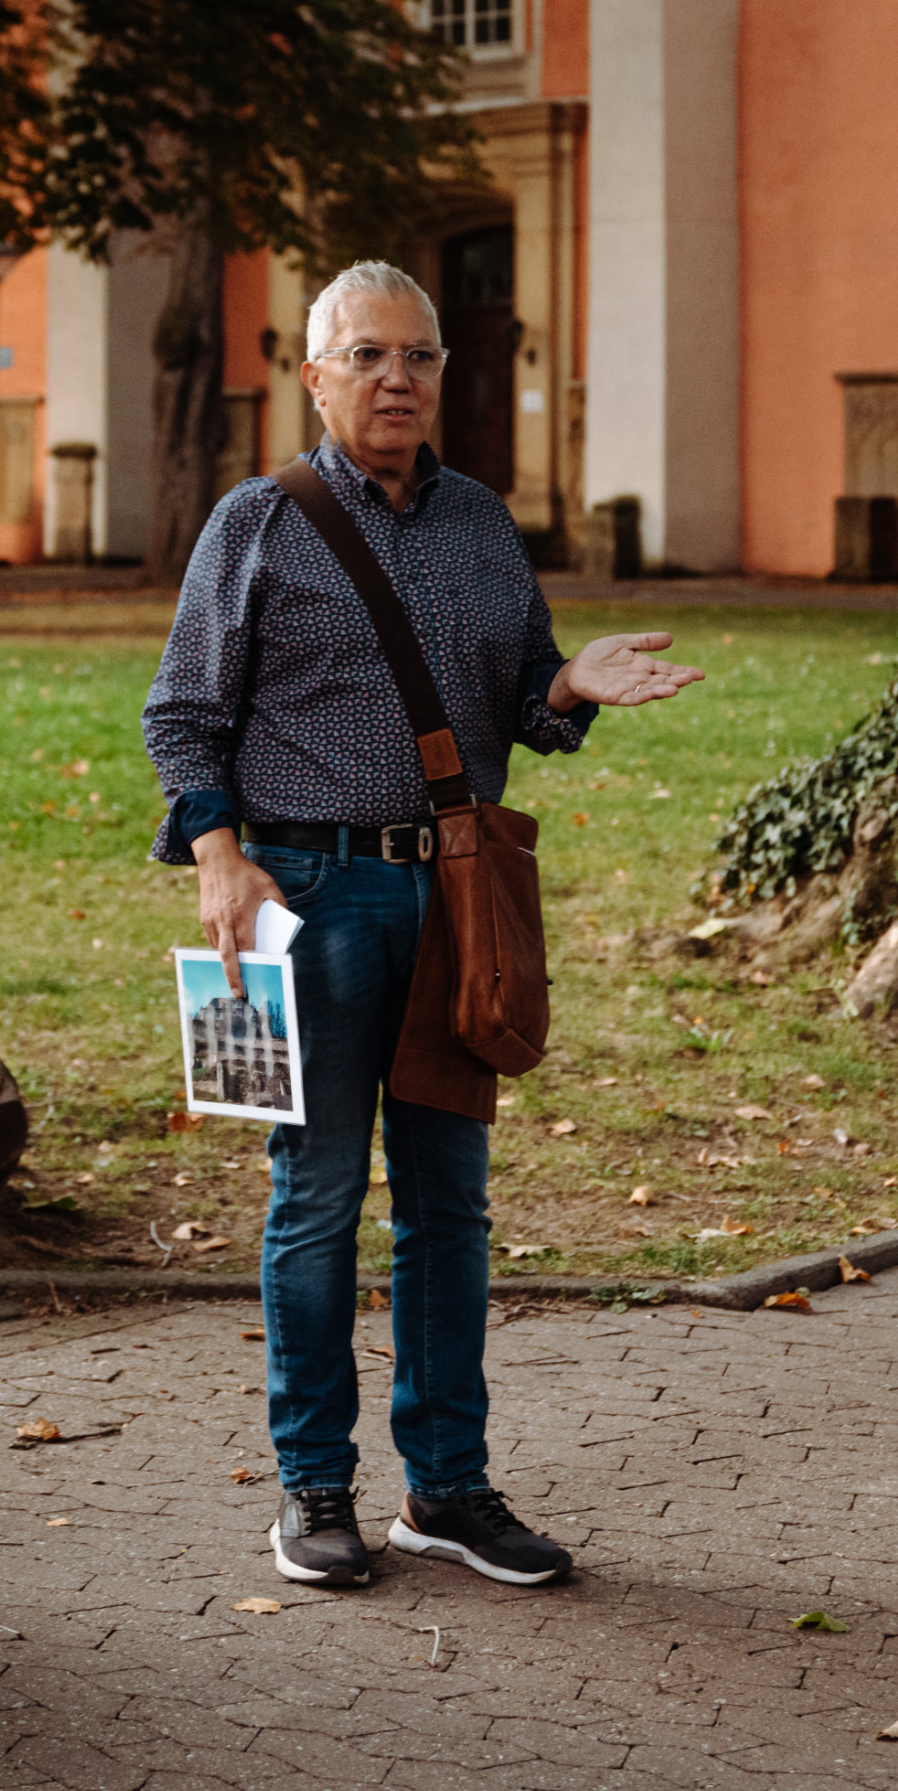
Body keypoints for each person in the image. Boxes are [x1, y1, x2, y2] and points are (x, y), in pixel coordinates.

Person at [145, 260, 702, 1591]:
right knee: (318, 1199)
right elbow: (182, 714)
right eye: (369, 355)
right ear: (316, 374)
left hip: (455, 901)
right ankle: (313, 1487)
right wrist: (218, 859)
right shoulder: (256, 521)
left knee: (450, 1205)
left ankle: (447, 1489)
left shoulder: (480, 523)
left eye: (420, 356)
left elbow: (520, 701)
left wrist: (567, 684)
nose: (398, 378)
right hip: (307, 896)